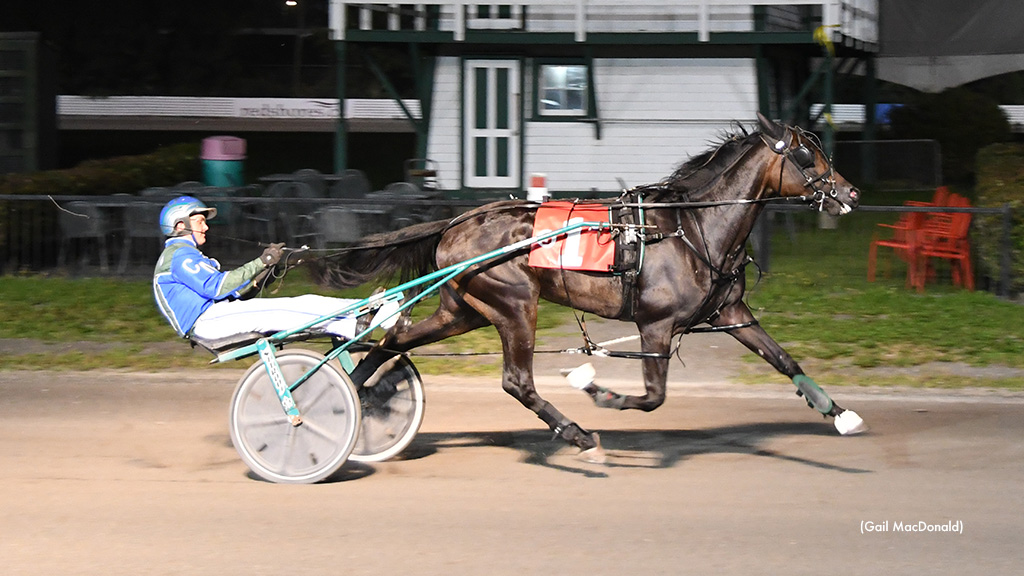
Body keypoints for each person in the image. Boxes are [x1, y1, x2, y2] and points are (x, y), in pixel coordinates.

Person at [152, 195, 397, 341]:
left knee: (302, 303)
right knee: (291, 309)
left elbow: (232, 292)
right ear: (180, 225)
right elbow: (217, 288)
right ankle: (369, 314)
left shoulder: (186, 256)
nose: (205, 227)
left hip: (216, 315)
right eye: (200, 222)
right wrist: (262, 261)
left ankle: (355, 319)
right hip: (207, 321)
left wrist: (266, 274)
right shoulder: (179, 256)